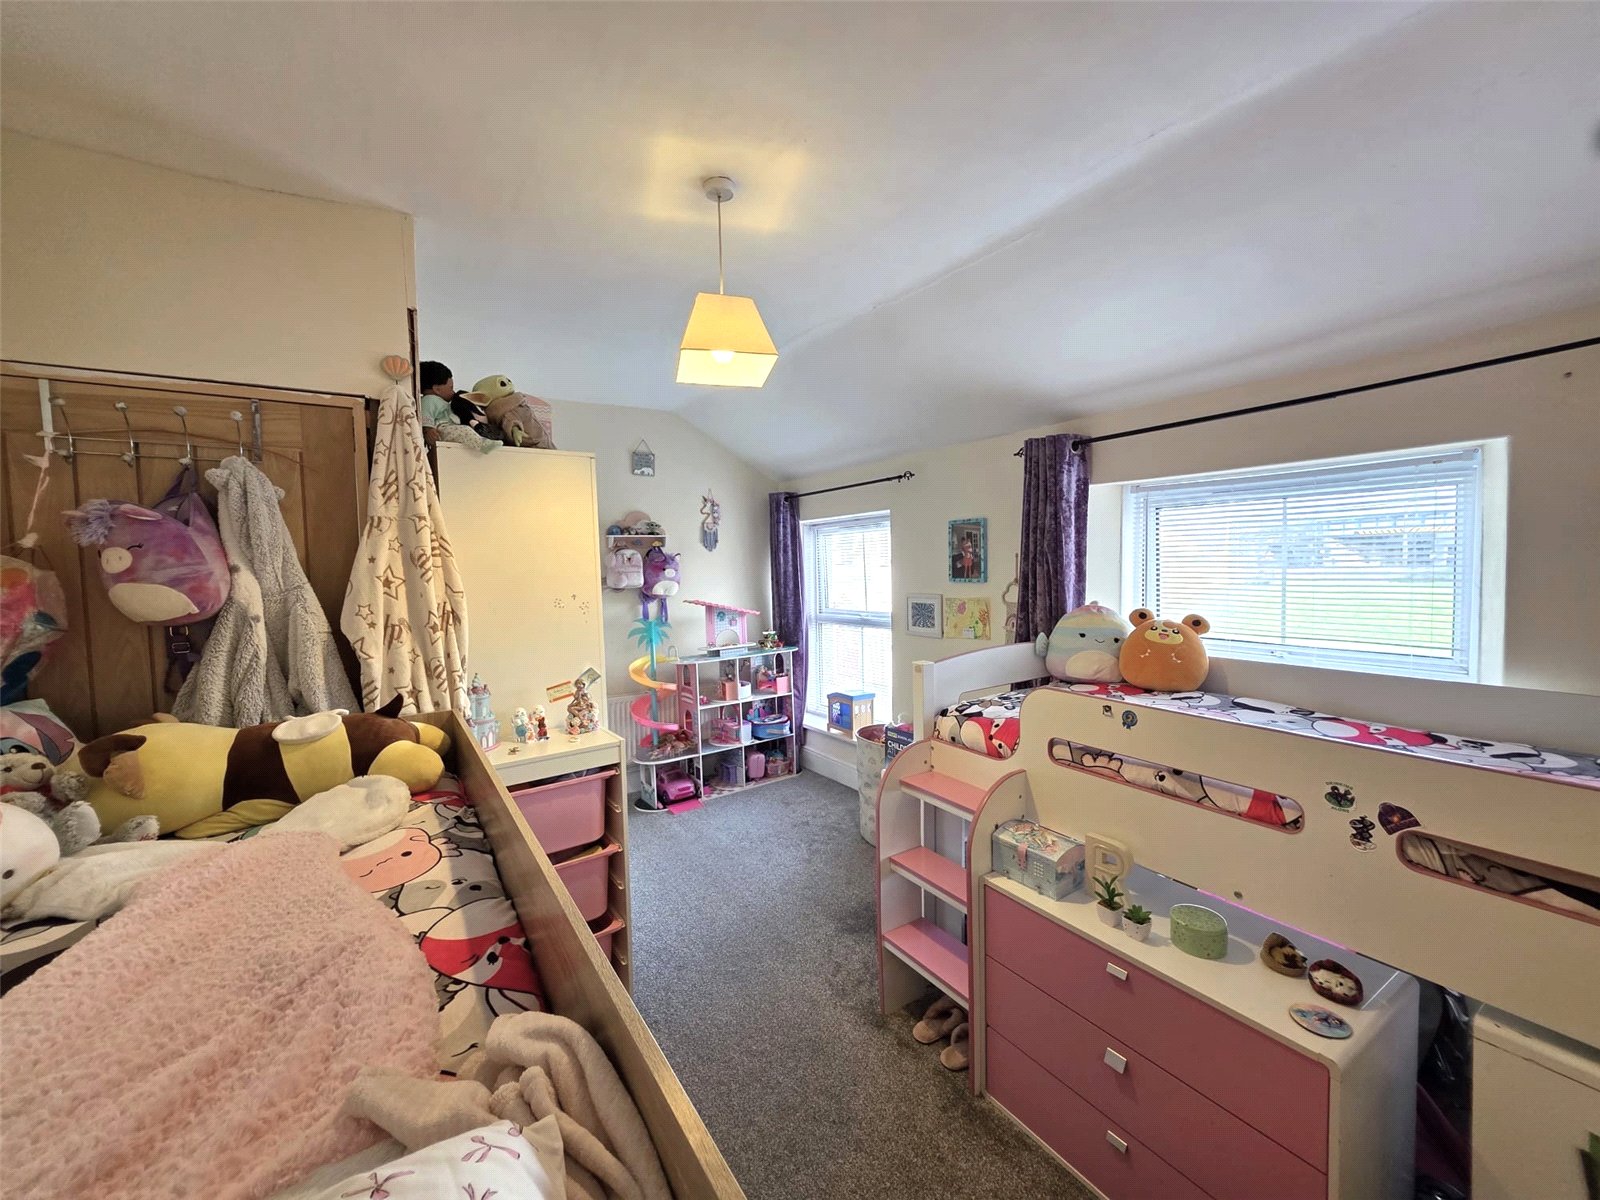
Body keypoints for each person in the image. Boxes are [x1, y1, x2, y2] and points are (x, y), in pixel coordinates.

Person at [418, 360, 499, 452]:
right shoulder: (429, 400)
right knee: (465, 431)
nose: (453, 392)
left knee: (465, 430)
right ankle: (482, 445)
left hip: (449, 428)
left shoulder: (439, 401)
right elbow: (426, 414)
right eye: (451, 388)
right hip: (443, 429)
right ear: (437, 389)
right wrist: (428, 429)